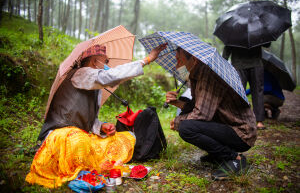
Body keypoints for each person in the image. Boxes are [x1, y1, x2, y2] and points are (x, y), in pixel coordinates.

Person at [25, 43, 167, 188]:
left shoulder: (92, 83)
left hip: (82, 136)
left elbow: (89, 120)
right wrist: (147, 60)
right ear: (94, 61)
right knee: (77, 140)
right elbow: (109, 76)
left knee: (123, 138)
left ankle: (90, 163)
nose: (107, 65)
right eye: (105, 62)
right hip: (61, 136)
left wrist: (101, 126)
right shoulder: (81, 73)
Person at [165, 47, 257, 180]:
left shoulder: (209, 75)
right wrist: (177, 102)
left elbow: (202, 114)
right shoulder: (196, 75)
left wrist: (178, 121)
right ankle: (218, 155)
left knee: (186, 128)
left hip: (241, 132)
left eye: (179, 60)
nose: (177, 65)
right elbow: (197, 106)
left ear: (194, 60)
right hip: (225, 125)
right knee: (187, 120)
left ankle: (235, 158)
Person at [222, 45, 266, 129]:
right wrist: (224, 61)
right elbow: (228, 45)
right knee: (239, 92)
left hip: (254, 63)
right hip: (240, 64)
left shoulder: (256, 31)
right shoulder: (233, 32)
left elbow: (266, 43)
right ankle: (239, 118)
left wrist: (224, 59)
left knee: (256, 92)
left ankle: (259, 120)